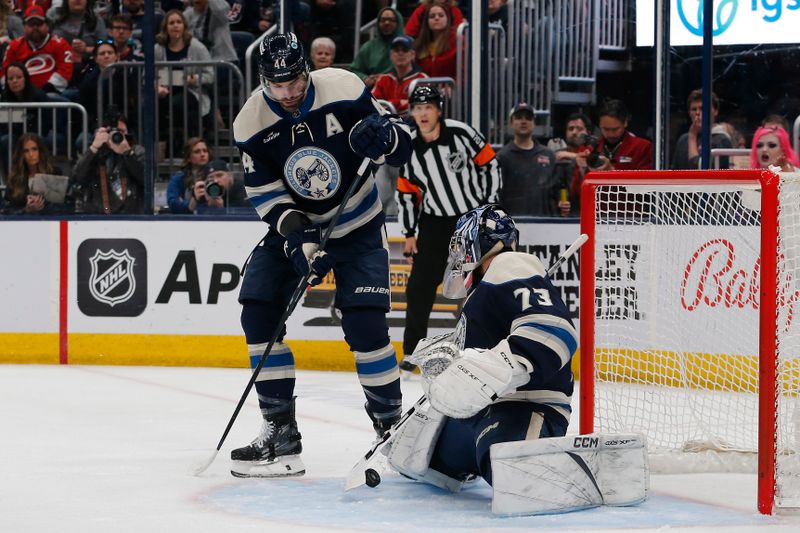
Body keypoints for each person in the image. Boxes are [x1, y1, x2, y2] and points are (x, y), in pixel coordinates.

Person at [230, 32, 412, 478]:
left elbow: (403, 146)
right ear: (263, 81)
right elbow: (267, 195)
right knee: (257, 311)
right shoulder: (249, 123)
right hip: (295, 228)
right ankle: (280, 430)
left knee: (366, 325)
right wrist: (300, 240)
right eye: (278, 85)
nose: (289, 93)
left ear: (306, 70)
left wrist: (386, 138)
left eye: (294, 81)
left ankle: (394, 430)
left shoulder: (345, 88)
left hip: (358, 225)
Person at [386, 204, 578, 506]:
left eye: (462, 245)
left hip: (526, 407)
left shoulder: (510, 265)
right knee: (424, 463)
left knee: (517, 481)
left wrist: (495, 365)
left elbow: (554, 333)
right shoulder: (486, 289)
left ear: (481, 242)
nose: (458, 255)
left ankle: (561, 465)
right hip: (487, 412)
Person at [395, 85, 500, 370]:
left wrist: (487, 208)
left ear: (439, 110)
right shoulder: (409, 146)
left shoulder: (461, 133)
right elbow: (405, 191)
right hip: (433, 223)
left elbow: (490, 164)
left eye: (428, 106)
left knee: (478, 285)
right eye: (417, 108)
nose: (422, 113)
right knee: (418, 289)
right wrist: (408, 233)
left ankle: (480, 348)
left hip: (469, 219)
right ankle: (412, 350)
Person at [154, 9, 215, 146]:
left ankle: (191, 144)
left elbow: (210, 75)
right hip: (163, 92)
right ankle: (161, 146)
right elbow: (147, 76)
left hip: (191, 91)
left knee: (180, 102)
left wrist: (196, 79)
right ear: (165, 28)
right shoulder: (158, 49)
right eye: (171, 23)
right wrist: (156, 87)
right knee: (152, 103)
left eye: (178, 22)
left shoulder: (197, 47)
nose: (175, 26)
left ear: (184, 26)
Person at [72, 110, 145, 214]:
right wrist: (93, 148)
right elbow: (78, 177)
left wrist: (127, 153)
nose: (117, 135)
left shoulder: (137, 151)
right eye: (112, 132)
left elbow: (146, 178)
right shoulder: (94, 153)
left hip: (131, 216)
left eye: (122, 132)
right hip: (98, 216)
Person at [496, 102, 560, 216]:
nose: (524, 121)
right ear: (511, 123)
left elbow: (556, 192)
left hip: (544, 224)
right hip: (513, 224)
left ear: (534, 123)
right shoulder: (502, 157)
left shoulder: (548, 155)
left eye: (528, 118)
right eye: (519, 118)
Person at [0, 5, 73, 95]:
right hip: (19, 94)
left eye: (39, 23)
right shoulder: (14, 46)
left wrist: (41, 92)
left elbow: (65, 72)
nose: (35, 27)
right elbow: (4, 73)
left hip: (50, 94)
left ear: (47, 25)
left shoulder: (60, 44)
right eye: (31, 24)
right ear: (24, 27)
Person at [1, 132, 69, 214]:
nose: (31, 154)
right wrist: (26, 209)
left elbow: (63, 207)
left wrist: (41, 205)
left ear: (40, 151)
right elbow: (7, 211)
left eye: (34, 149)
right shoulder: (15, 179)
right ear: (21, 154)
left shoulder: (54, 173)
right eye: (26, 151)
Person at [166, 138, 237, 214]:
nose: (202, 154)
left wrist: (184, 203)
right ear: (188, 158)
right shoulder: (178, 178)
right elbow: (173, 204)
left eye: (205, 151)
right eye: (197, 152)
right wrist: (192, 202)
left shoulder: (216, 175)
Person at [580, 98, 652, 171]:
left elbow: (645, 180)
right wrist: (582, 168)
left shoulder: (642, 147)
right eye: (605, 129)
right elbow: (579, 182)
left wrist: (612, 171)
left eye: (615, 129)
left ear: (625, 122)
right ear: (599, 125)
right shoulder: (589, 149)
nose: (611, 134)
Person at [671, 89, 733, 170]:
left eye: (702, 108)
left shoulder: (722, 140)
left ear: (715, 111)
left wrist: (692, 136)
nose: (697, 113)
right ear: (689, 113)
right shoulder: (683, 140)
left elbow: (701, 175)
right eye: (694, 109)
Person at [546, 112, 594, 216]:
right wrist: (559, 201)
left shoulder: (595, 153)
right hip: (565, 216)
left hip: (592, 213)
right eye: (571, 129)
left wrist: (573, 156)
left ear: (588, 132)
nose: (574, 132)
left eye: (579, 129)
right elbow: (553, 188)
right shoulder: (559, 155)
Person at [371, 34, 428, 118]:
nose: (400, 53)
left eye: (405, 50)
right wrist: (400, 103)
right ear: (391, 55)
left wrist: (389, 104)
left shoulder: (422, 79)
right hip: (386, 125)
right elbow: (373, 103)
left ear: (413, 54)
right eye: (396, 50)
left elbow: (421, 106)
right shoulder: (383, 79)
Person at [349, 6, 405, 89]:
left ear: (398, 23)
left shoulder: (407, 45)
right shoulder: (369, 46)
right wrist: (365, 78)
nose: (387, 23)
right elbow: (355, 70)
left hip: (400, 88)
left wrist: (385, 78)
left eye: (391, 20)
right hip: (373, 89)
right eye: (383, 20)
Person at [47, 0, 108, 67]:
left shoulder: (96, 20)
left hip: (87, 66)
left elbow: (103, 46)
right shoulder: (54, 14)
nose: (77, 0)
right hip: (55, 63)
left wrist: (86, 49)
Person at [414, 0, 458, 80]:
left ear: (448, 19)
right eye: (432, 16)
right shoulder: (420, 44)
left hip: (451, 89)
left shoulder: (457, 41)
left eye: (441, 15)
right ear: (426, 22)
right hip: (426, 90)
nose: (436, 18)